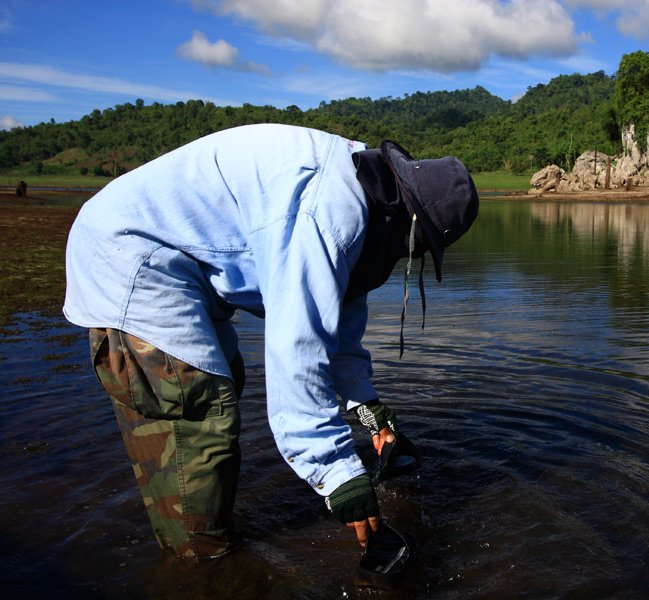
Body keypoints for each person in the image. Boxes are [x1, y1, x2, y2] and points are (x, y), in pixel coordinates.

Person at [63, 124, 479, 559]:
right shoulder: (327, 211)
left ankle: (208, 529)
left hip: (183, 267)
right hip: (133, 255)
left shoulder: (366, 195)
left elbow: (335, 327)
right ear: (411, 223)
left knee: (222, 390)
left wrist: (366, 407)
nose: (413, 256)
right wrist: (338, 475)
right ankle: (202, 562)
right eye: (421, 245)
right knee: (198, 404)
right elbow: (296, 345)